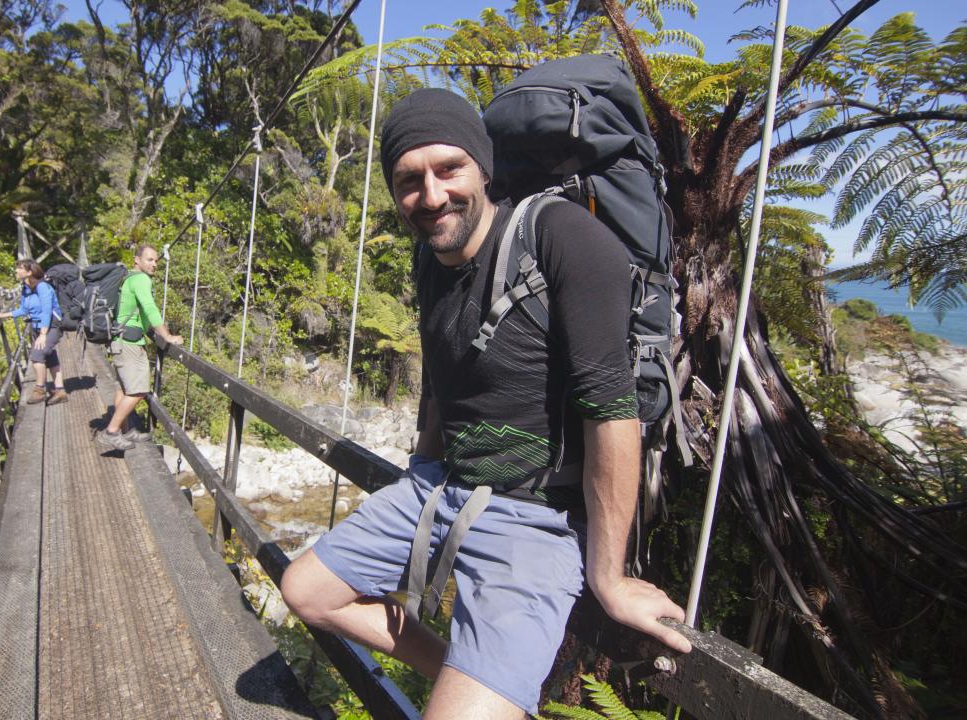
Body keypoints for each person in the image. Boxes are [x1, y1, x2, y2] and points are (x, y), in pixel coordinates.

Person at [279, 89, 691, 719]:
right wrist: (421, 469)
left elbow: (613, 411)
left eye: (449, 169)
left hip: (538, 519)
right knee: (305, 589)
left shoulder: (561, 237)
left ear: (484, 168)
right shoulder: (430, 259)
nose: (432, 194)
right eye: (409, 180)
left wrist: (607, 578)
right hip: (443, 489)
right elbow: (445, 382)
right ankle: (464, 677)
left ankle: (478, 691)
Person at [96, 242, 182, 452]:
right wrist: (167, 336)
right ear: (137, 260)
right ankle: (112, 431)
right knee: (139, 390)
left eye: (156, 260)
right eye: (149, 260)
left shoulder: (129, 278)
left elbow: (140, 312)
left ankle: (126, 430)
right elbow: (150, 309)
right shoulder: (142, 279)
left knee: (125, 388)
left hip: (121, 340)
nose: (154, 264)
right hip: (129, 344)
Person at [0, 258, 68, 405]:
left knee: (37, 355)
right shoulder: (26, 288)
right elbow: (23, 310)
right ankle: (60, 391)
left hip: (51, 326)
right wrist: (3, 315)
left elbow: (46, 311)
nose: (16, 271)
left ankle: (40, 390)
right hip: (37, 327)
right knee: (50, 357)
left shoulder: (43, 287)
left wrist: (43, 335)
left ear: (29, 271)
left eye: (19, 268)